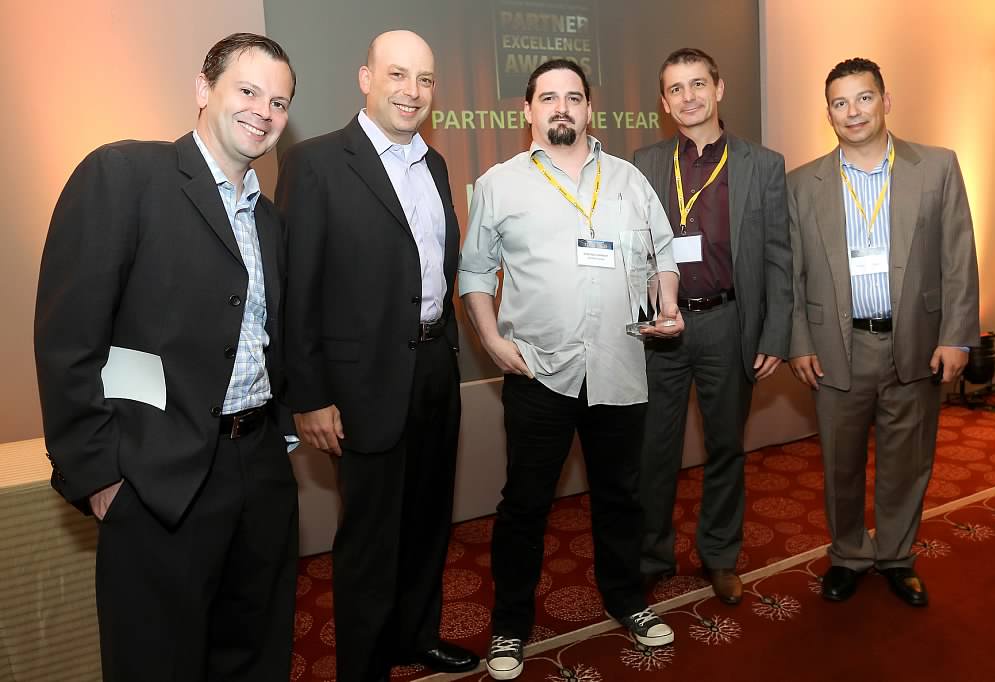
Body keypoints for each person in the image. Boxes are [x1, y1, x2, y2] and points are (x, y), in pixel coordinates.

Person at [34, 33, 298, 681]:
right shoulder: (125, 175)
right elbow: (69, 340)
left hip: (258, 470)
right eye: (248, 90)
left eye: (279, 102)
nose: (264, 111)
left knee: (255, 652)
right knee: (156, 661)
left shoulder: (267, 219)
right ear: (203, 89)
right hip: (157, 478)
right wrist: (99, 476)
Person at [460, 58, 682, 681]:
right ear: (527, 110)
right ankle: (509, 625)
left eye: (574, 97)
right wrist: (491, 341)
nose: (562, 107)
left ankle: (627, 599)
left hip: (619, 366)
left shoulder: (629, 179)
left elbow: (663, 250)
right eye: (549, 97)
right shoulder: (499, 184)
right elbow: (474, 271)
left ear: (589, 108)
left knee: (620, 497)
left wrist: (667, 301)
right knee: (525, 505)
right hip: (539, 373)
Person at [275, 30, 476, 681]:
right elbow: (297, 289)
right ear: (366, 79)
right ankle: (362, 668)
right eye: (397, 75)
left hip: (434, 368)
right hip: (361, 385)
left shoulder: (435, 164)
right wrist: (308, 396)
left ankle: (416, 636)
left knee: (428, 520)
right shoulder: (315, 163)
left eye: (424, 79)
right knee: (369, 537)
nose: (412, 91)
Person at [787, 57, 979, 606]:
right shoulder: (801, 184)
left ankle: (896, 556)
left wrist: (957, 334)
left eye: (864, 98)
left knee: (907, 461)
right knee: (840, 464)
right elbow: (791, 274)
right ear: (828, 113)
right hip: (835, 348)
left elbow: (959, 257)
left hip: (916, 343)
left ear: (885, 101)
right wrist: (798, 342)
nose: (853, 111)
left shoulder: (937, 166)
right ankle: (848, 555)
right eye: (840, 102)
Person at [632, 48, 792, 604]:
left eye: (698, 84)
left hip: (729, 323)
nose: (689, 97)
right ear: (664, 101)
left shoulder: (763, 165)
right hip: (663, 329)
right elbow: (633, 250)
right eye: (676, 89)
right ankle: (652, 555)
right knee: (654, 451)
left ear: (719, 89)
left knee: (726, 447)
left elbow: (779, 257)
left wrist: (775, 334)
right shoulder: (644, 163)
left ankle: (720, 555)